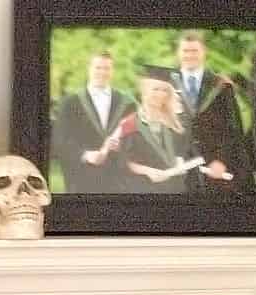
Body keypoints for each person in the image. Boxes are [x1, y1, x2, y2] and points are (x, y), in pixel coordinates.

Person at [173, 30, 253, 191]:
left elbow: (233, 128)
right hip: (178, 167)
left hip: (214, 167)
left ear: (204, 52)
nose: (190, 55)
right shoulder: (166, 84)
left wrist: (221, 160)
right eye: (185, 51)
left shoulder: (221, 86)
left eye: (194, 50)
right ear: (178, 53)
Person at [51, 51, 136, 193]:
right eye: (98, 67)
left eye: (107, 68)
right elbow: (60, 140)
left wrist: (121, 146)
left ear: (112, 71)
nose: (102, 72)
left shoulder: (126, 103)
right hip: (82, 179)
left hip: (117, 180)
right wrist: (85, 155)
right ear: (89, 69)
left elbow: (135, 140)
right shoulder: (70, 103)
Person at [107, 68, 195, 194]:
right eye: (155, 89)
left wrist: (180, 161)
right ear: (145, 91)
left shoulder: (177, 124)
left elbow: (183, 151)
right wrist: (149, 171)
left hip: (175, 187)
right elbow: (122, 161)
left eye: (165, 90)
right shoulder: (129, 124)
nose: (160, 94)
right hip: (142, 188)